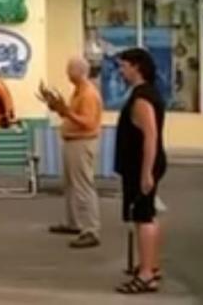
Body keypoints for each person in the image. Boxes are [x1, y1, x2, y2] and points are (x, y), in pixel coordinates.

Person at [114, 48, 167, 294]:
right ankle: (151, 266)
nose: (121, 71)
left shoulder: (142, 97)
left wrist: (146, 172)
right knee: (148, 214)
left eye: (124, 66)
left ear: (136, 67)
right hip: (142, 164)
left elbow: (150, 136)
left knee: (142, 217)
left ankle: (146, 274)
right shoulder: (144, 94)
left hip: (140, 165)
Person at [42, 57, 103, 249]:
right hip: (72, 141)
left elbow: (88, 122)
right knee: (70, 185)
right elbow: (72, 115)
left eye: (69, 70)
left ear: (79, 71)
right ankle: (74, 222)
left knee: (83, 185)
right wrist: (58, 108)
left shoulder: (88, 94)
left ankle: (91, 229)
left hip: (82, 142)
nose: (67, 73)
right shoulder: (78, 92)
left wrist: (66, 112)